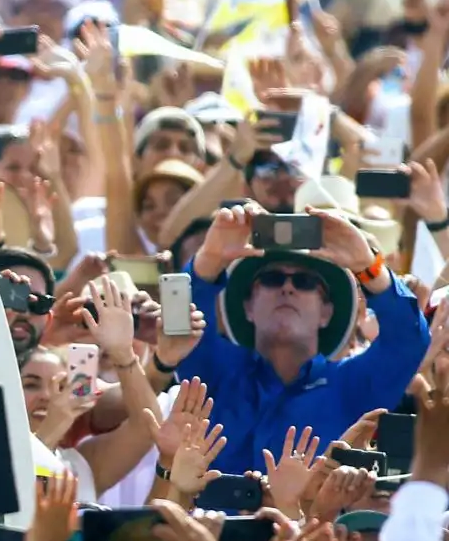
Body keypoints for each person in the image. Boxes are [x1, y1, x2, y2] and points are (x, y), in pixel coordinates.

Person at [176, 202, 430, 474]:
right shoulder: (217, 372)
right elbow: (177, 329)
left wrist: (368, 265)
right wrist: (210, 258)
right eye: (272, 279)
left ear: (327, 313)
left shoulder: (352, 386)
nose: (287, 288)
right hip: (210, 518)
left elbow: (408, 340)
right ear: (248, 306)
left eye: (305, 283)